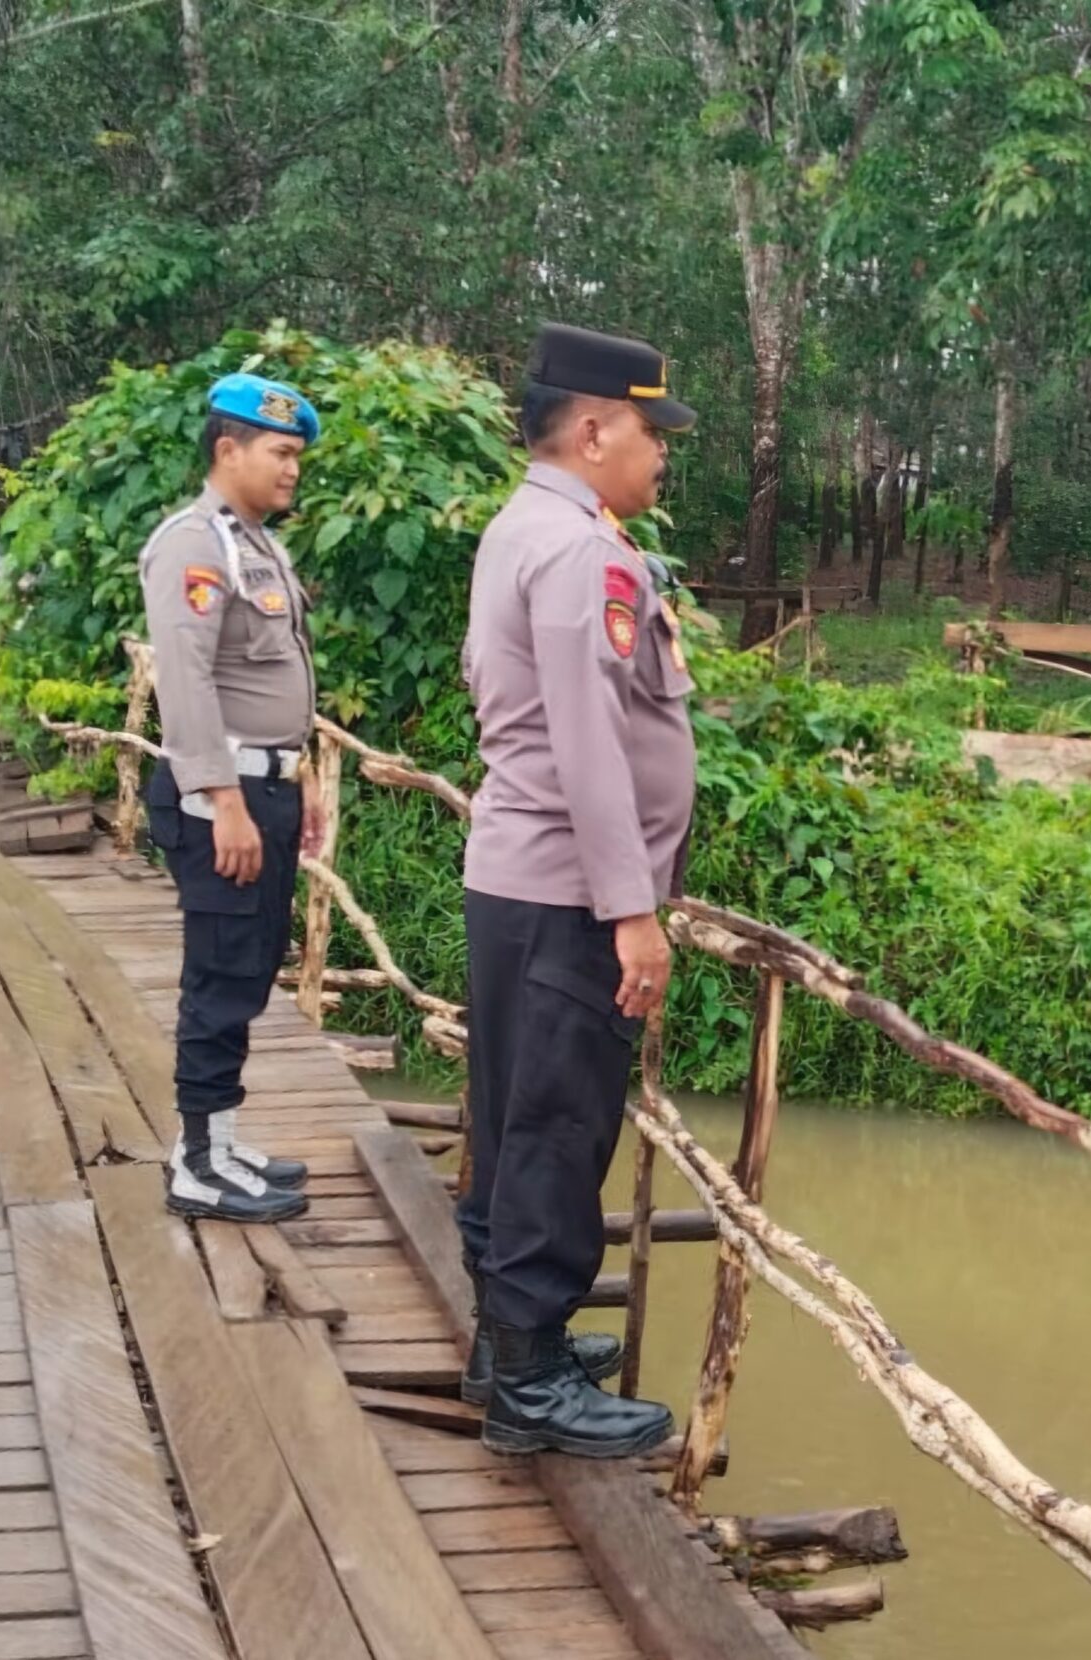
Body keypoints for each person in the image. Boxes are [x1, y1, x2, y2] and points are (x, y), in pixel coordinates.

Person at [457, 323, 698, 1457]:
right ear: (594, 431)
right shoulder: (577, 552)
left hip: (532, 882)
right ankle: (528, 1380)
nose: (663, 453)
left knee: (519, 1115)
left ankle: (507, 1345)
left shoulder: (529, 526)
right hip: (568, 893)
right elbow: (588, 742)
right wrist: (632, 910)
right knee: (557, 1125)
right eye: (653, 431)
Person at [139, 372, 326, 1224]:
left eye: (296, 455)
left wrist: (300, 775)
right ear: (229, 450)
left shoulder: (255, 543)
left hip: (265, 784)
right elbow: (185, 684)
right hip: (227, 796)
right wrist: (224, 801)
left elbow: (269, 676)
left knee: (247, 969)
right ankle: (198, 1164)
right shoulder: (194, 543)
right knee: (220, 976)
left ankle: (216, 1138)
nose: (292, 469)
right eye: (280, 453)